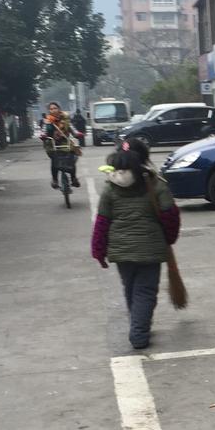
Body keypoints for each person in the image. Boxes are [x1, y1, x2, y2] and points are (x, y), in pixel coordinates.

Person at [90, 138, 181, 351]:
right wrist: (168, 239)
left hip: (121, 252)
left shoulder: (110, 189)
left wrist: (99, 250)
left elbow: (102, 222)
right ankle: (139, 333)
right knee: (145, 292)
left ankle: (138, 325)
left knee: (131, 289)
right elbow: (171, 217)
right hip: (150, 250)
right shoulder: (156, 185)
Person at [41, 101, 82, 188]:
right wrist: (43, 135)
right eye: (51, 109)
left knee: (71, 159)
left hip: (66, 141)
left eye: (55, 108)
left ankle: (74, 179)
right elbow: (44, 131)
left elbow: (72, 128)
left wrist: (77, 134)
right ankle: (55, 180)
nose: (53, 110)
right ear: (49, 111)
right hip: (52, 143)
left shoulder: (66, 118)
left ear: (59, 109)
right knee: (54, 161)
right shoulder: (47, 121)